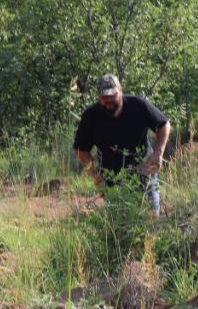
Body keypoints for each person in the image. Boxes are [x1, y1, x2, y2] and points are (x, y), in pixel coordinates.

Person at [72, 74, 170, 214]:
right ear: (99, 97)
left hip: (144, 170)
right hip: (112, 179)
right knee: (120, 222)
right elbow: (80, 149)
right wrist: (95, 175)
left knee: (151, 215)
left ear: (121, 90)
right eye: (104, 97)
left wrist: (158, 152)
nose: (109, 100)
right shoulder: (91, 116)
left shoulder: (138, 105)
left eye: (113, 95)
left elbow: (164, 124)